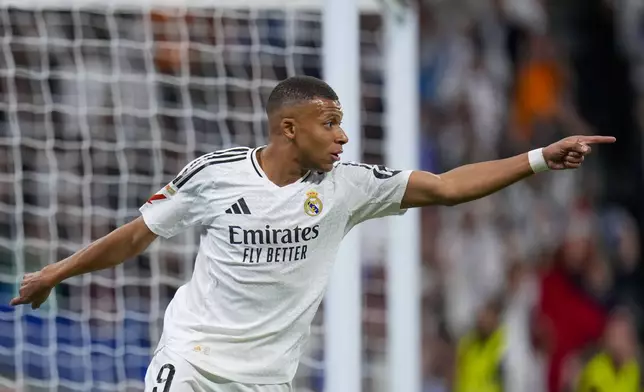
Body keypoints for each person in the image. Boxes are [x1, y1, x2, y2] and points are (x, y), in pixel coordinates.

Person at [10, 76, 615, 392]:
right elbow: (137, 235)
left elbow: (447, 186)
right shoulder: (213, 177)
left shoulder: (348, 186)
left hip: (268, 378)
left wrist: (537, 158)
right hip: (190, 363)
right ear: (289, 128)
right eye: (330, 125)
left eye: (343, 125)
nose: (343, 138)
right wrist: (56, 273)